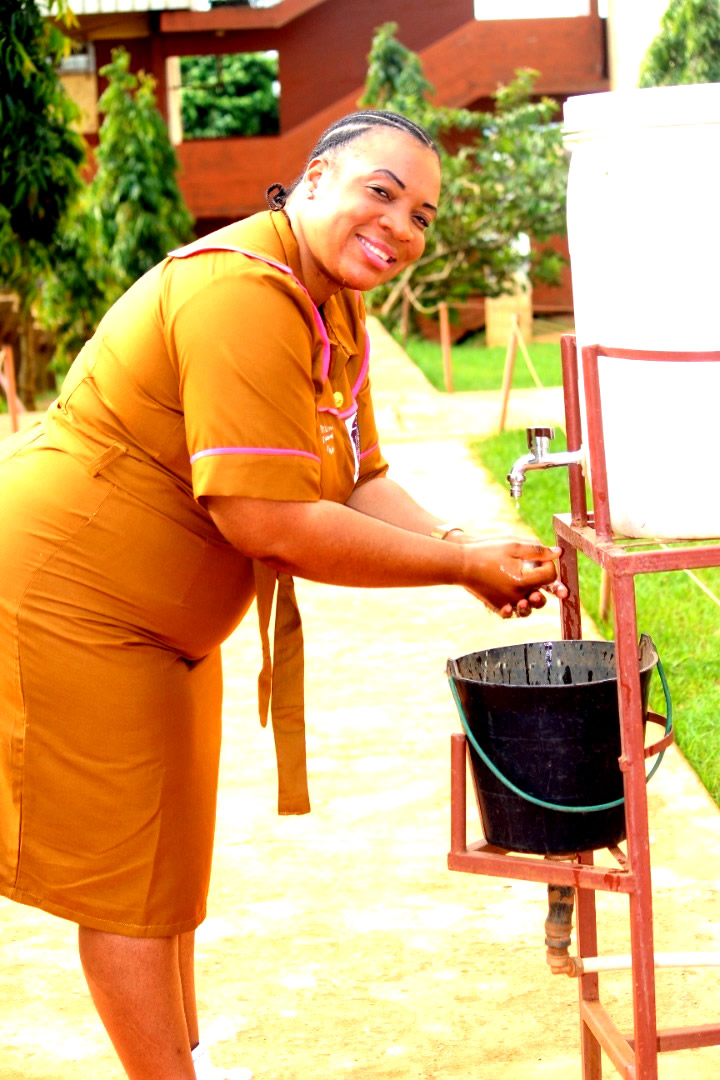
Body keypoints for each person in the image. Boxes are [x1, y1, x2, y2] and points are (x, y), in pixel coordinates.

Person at [0, 109, 566, 1080]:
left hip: (160, 623)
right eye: (379, 193)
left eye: (422, 213)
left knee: (171, 874)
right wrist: (457, 567)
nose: (400, 226)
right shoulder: (238, 292)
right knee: (129, 888)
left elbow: (354, 479)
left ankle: (190, 1063)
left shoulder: (331, 306)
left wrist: (462, 542)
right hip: (70, 598)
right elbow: (268, 522)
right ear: (312, 181)